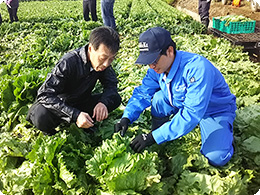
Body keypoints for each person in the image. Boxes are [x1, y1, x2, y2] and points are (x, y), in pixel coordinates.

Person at [114, 27, 236, 167]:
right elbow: (143, 92)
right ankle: (161, 134)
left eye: (154, 60)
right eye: (148, 61)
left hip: (213, 110)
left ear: (170, 51)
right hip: (181, 103)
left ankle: (226, 135)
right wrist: (126, 117)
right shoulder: (157, 69)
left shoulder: (197, 68)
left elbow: (191, 114)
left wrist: (152, 137)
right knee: (159, 98)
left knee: (216, 157)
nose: (151, 65)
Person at [27, 26, 121, 135]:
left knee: (114, 98)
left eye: (111, 59)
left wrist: (103, 103)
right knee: (41, 116)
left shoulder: (104, 65)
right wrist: (75, 115)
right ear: (90, 49)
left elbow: (111, 85)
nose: (106, 64)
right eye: (103, 58)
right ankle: (58, 128)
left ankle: (86, 121)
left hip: (81, 101)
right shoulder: (69, 62)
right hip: (61, 104)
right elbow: (44, 94)